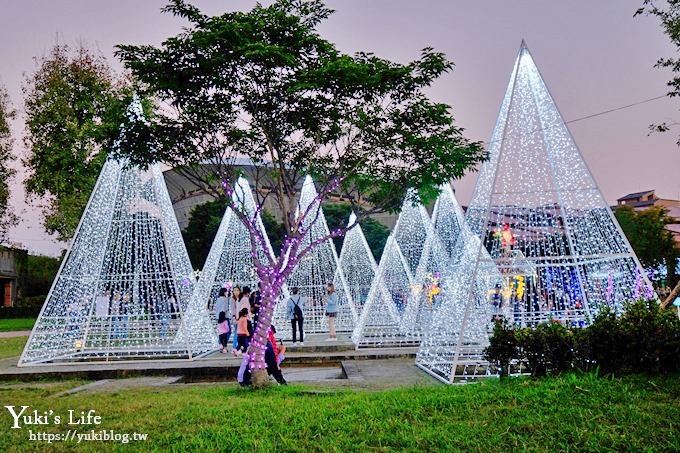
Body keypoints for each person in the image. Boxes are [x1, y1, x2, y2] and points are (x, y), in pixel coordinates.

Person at [229, 286, 241, 351]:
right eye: (234, 291)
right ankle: (234, 347)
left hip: (240, 318)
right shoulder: (232, 299)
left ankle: (237, 346)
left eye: (237, 290)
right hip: (236, 318)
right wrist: (234, 317)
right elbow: (233, 309)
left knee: (239, 332)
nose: (236, 292)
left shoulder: (240, 298)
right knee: (237, 332)